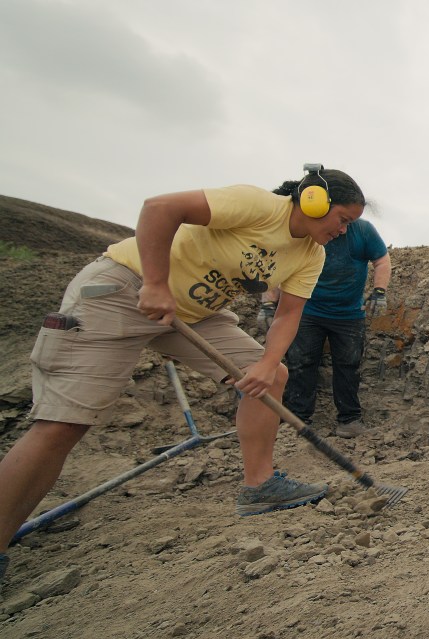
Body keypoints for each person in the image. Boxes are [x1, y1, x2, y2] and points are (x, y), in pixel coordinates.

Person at [0, 165, 366, 586]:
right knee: (62, 425)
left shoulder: (311, 254)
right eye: (343, 220)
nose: (344, 231)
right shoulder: (258, 206)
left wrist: (265, 365)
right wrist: (155, 283)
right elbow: (160, 208)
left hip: (193, 315)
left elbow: (289, 314)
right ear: (314, 200)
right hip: (124, 290)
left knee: (273, 375)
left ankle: (259, 486)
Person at [269, 219, 391, 438]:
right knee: (301, 363)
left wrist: (379, 291)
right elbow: (278, 264)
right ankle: (297, 420)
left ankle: (349, 420)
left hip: (349, 314)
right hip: (307, 310)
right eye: (341, 220)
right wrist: (269, 304)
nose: (343, 228)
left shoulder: (362, 230)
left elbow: (381, 259)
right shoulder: (307, 230)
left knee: (348, 366)